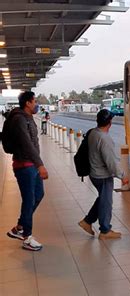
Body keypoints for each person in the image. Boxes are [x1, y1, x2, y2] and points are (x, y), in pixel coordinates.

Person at [6, 91, 49, 251]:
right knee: (29, 199)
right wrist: (40, 165)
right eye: (35, 101)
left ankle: (20, 227)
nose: (36, 104)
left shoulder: (27, 118)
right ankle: (27, 237)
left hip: (31, 164)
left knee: (38, 195)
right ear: (28, 103)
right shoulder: (19, 120)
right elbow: (26, 144)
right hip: (24, 165)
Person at [78, 109, 129, 239]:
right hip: (103, 176)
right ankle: (105, 231)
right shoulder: (104, 139)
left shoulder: (93, 133)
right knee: (106, 203)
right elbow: (111, 163)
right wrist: (122, 176)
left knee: (102, 199)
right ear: (110, 123)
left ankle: (87, 221)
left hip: (93, 173)